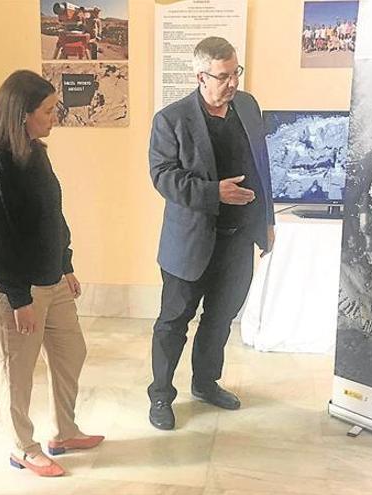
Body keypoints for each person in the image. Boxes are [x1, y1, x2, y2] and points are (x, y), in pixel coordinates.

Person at [0, 70, 103, 477]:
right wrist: (19, 299)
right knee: (16, 372)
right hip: (11, 288)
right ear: (21, 113)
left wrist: (65, 264)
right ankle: (22, 447)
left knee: (71, 352)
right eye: (47, 110)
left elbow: (52, 217)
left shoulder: (36, 153)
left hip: (50, 279)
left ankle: (63, 432)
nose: (54, 116)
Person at [147, 36, 275, 430]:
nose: (232, 82)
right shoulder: (171, 119)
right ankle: (161, 397)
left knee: (220, 319)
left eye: (236, 72)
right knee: (173, 323)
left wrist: (267, 220)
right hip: (190, 244)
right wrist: (212, 192)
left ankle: (205, 383)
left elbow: (261, 165)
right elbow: (163, 177)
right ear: (201, 76)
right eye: (224, 76)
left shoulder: (248, 107)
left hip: (237, 240)